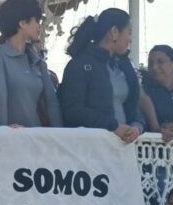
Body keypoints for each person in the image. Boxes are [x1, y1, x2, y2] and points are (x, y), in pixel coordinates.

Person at [59, 8, 143, 142]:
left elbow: (135, 109)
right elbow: (72, 110)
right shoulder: (79, 65)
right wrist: (112, 126)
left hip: (125, 147)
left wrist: (137, 127)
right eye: (129, 32)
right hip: (91, 146)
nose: (130, 39)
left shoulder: (126, 67)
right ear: (114, 32)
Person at [0, 0, 62, 128]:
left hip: (38, 136)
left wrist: (59, 135)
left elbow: (52, 104)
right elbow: (0, 101)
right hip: (10, 137)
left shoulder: (38, 61)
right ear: (22, 23)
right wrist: (0, 135)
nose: (39, 26)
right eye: (36, 20)